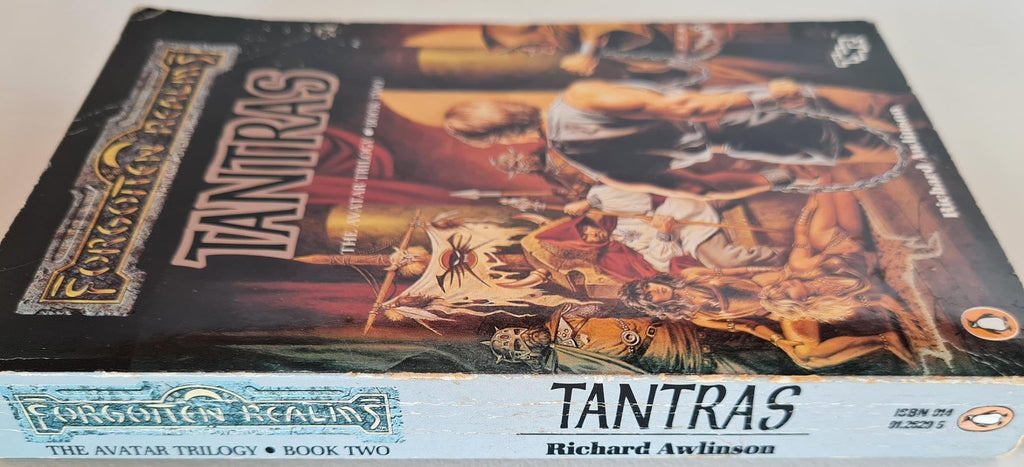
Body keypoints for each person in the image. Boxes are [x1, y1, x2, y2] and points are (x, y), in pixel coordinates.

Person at [444, 78, 894, 201]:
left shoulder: (584, 162)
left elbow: (697, 189)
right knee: (891, 111)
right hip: (757, 112)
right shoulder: (579, 98)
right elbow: (686, 108)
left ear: (498, 139)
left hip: (756, 144)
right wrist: (767, 94)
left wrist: (780, 177)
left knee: (885, 147)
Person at [618, 190, 918, 370]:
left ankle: (832, 194)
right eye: (650, 295)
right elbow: (749, 326)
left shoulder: (691, 276)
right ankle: (883, 341)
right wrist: (778, 340)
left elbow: (738, 273)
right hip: (780, 310)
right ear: (654, 305)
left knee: (817, 244)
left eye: (649, 286)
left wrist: (779, 271)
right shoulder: (699, 316)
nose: (655, 290)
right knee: (807, 358)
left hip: (775, 284)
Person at [483, 303, 783, 374]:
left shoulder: (566, 311)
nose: (525, 337)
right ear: (524, 356)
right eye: (518, 345)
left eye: (517, 333)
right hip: (691, 359)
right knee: (776, 366)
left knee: (776, 332)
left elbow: (613, 303)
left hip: (688, 326)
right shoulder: (566, 366)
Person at [566, 184, 781, 270]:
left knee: (736, 189)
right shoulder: (619, 245)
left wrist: (590, 202)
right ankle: (783, 256)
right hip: (690, 234)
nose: (592, 234)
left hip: (681, 206)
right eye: (587, 238)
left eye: (586, 230)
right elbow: (660, 261)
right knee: (724, 261)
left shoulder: (604, 206)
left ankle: (779, 180)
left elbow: (632, 194)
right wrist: (663, 234)